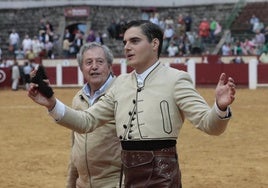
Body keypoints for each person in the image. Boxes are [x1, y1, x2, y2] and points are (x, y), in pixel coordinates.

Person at [28, 20, 236, 188]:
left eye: (135, 41)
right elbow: (87, 121)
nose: (127, 47)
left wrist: (220, 107)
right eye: (125, 42)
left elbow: (209, 125)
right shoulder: (120, 85)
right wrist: (51, 104)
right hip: (128, 176)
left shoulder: (176, 79)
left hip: (162, 175)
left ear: (155, 44)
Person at [65, 42, 121, 188]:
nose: (94, 66)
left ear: (110, 66)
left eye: (100, 62)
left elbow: (134, 148)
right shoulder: (78, 98)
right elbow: (75, 148)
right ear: (81, 69)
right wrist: (71, 183)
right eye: (88, 62)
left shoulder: (122, 94)